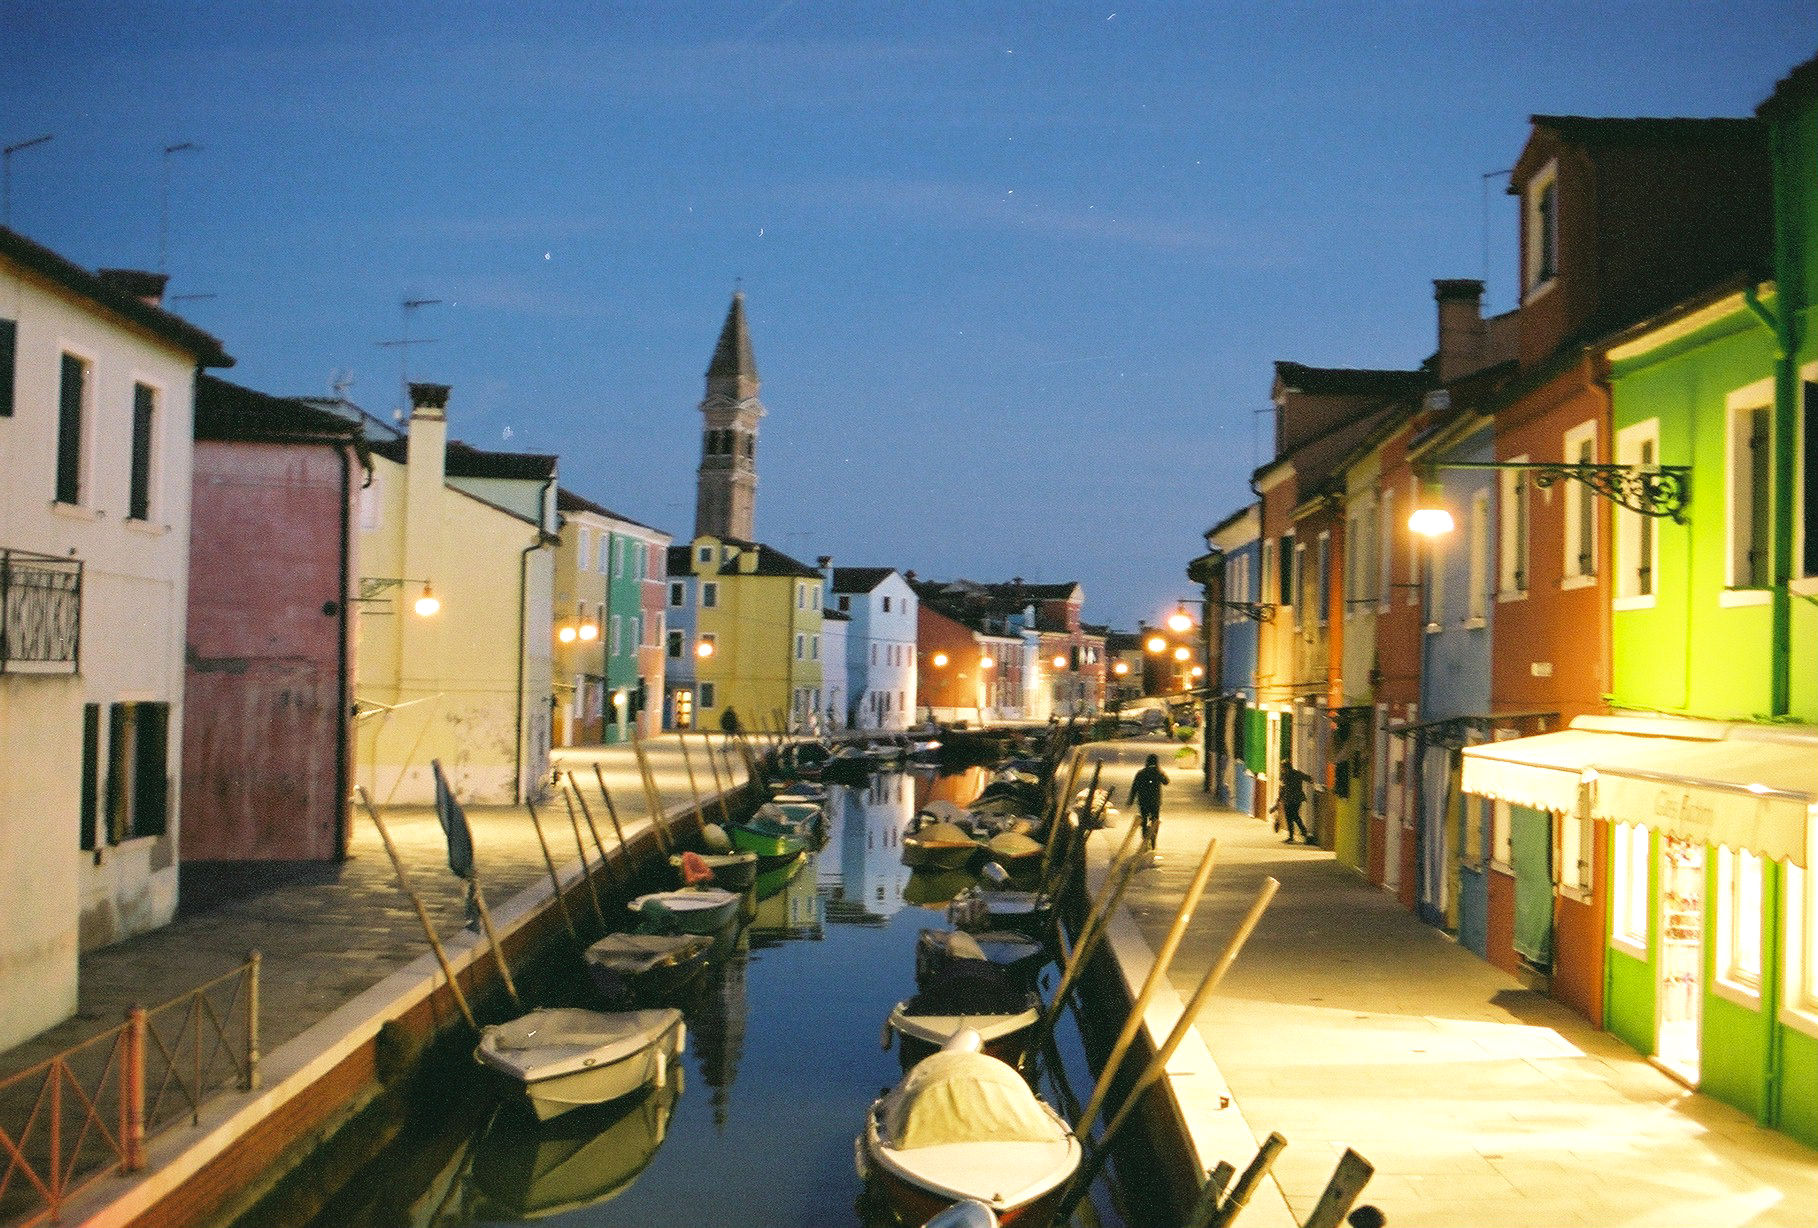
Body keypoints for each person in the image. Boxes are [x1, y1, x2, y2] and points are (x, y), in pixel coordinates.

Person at [1128, 753, 1170, 852]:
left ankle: (1144, 838)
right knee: (1155, 820)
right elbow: (1166, 782)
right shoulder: (1158, 773)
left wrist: (1131, 800)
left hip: (1143, 801)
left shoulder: (1141, 773)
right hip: (1155, 801)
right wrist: (1162, 772)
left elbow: (1134, 787)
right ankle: (1153, 839)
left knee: (1144, 820)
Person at [1273, 757, 1313, 844]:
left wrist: (1279, 799)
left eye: (1282, 767)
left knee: (1290, 817)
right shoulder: (1297, 773)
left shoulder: (1284, 776)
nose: (1281, 769)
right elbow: (1309, 778)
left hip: (1289, 799)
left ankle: (1297, 834)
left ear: (1285, 767)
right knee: (1294, 816)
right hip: (1297, 798)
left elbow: (1282, 789)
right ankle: (1301, 833)